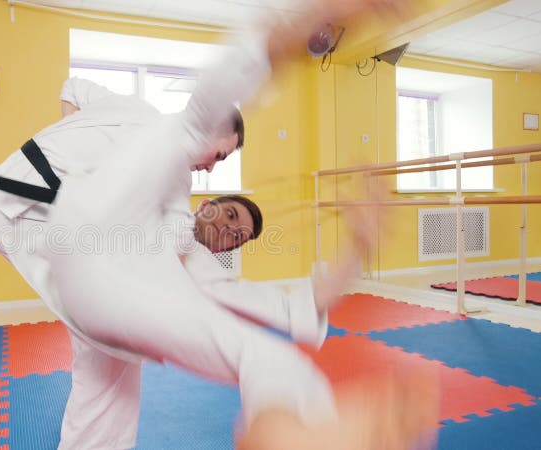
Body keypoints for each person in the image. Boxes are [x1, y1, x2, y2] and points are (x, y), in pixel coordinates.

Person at [40, 0, 439, 448]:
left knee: (271, 359)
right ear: (206, 204)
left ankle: (292, 435)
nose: (231, 232)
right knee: (185, 130)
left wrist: (360, 246)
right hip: (82, 232)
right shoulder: (155, 148)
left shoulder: (199, 266)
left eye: (238, 237)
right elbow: (202, 106)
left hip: (104, 298)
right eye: (231, 215)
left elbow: (294, 307)